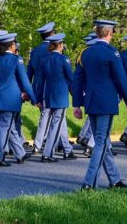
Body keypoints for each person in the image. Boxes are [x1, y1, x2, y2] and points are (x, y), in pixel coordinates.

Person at [72, 20, 127, 191]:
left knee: (102, 140)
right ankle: (89, 183)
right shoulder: (111, 52)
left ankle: (115, 179)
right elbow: (121, 78)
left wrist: (77, 104)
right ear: (110, 33)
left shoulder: (85, 53)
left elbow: (78, 80)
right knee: (100, 143)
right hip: (106, 102)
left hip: (91, 101)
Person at [0, 33, 35, 166]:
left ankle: (20, 153)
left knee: (9, 127)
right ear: (12, 45)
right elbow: (25, 82)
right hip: (10, 99)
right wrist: (34, 98)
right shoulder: (16, 59)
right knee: (6, 127)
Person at [34, 33, 78, 161]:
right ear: (60, 45)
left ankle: (67, 150)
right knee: (56, 125)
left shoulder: (44, 60)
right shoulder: (63, 59)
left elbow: (40, 81)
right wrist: (76, 94)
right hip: (60, 96)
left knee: (59, 123)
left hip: (48, 95)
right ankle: (47, 153)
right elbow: (71, 78)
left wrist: (37, 98)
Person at [27, 23, 55, 154]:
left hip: (37, 85)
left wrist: (27, 88)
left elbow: (30, 71)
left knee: (47, 114)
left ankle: (50, 140)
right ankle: (40, 142)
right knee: (49, 115)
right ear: (52, 33)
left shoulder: (36, 50)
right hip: (50, 85)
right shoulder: (52, 49)